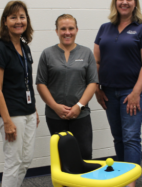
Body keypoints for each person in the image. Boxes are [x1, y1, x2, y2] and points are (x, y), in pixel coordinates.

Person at [93, 0, 142, 187]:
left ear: (135, 3)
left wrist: (136, 92)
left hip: (133, 91)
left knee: (131, 136)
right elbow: (97, 62)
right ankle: (121, 180)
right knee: (118, 136)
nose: (124, 2)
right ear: (115, 2)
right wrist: (97, 89)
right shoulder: (104, 28)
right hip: (109, 91)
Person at [0, 0, 40, 187]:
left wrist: (34, 109)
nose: (19, 21)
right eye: (13, 17)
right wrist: (6, 120)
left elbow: (26, 82)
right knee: (13, 159)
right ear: (5, 21)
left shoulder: (25, 46)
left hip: (27, 111)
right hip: (12, 114)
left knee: (26, 159)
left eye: (22, 17)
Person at [36, 13, 100, 174]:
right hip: (55, 115)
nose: (67, 32)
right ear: (56, 31)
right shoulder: (47, 54)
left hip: (81, 114)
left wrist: (79, 106)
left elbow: (93, 82)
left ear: (76, 30)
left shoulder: (86, 53)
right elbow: (41, 83)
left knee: (84, 153)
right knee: (62, 154)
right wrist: (55, 107)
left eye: (71, 28)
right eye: (63, 29)